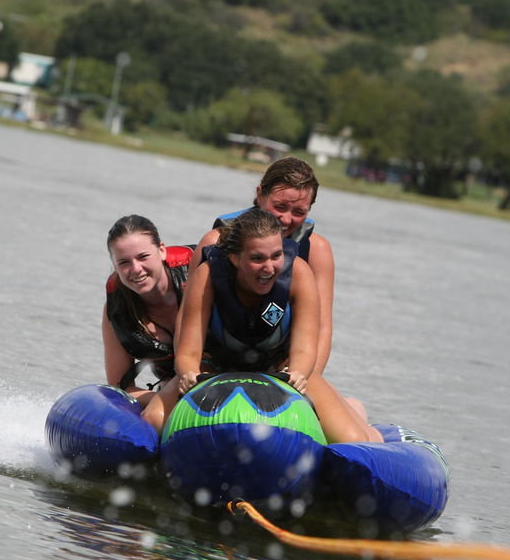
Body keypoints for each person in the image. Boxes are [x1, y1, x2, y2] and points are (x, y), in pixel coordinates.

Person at [175, 209, 380, 443]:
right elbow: (188, 352)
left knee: (353, 439)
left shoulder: (299, 273)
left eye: (276, 255)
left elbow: (304, 349)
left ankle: (355, 410)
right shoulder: (207, 275)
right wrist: (189, 374)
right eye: (257, 258)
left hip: (281, 372)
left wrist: (298, 374)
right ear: (234, 258)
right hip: (215, 370)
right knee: (156, 420)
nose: (269, 267)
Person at [191, 156, 336, 375]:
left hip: (282, 368)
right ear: (260, 195)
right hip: (214, 363)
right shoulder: (214, 242)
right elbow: (188, 317)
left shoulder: (317, 251)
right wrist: (191, 371)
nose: (286, 219)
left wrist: (306, 378)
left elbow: (323, 328)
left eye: (299, 212)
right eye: (279, 206)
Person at [102, 214, 191, 432]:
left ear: (162, 250)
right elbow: (121, 387)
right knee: (154, 418)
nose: (136, 269)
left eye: (143, 257)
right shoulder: (117, 309)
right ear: (114, 265)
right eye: (124, 262)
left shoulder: (198, 273)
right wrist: (161, 399)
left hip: (217, 368)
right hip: (171, 385)